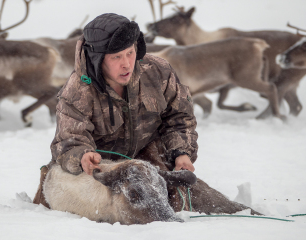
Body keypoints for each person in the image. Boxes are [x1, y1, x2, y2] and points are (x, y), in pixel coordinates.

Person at [33, 12, 198, 209]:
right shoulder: (77, 90)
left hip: (147, 162)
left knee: (183, 201)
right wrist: (83, 155)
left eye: (130, 52)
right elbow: (69, 140)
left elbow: (180, 118)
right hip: (98, 169)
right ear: (97, 59)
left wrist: (181, 153)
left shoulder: (158, 71)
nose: (127, 63)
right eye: (116, 57)